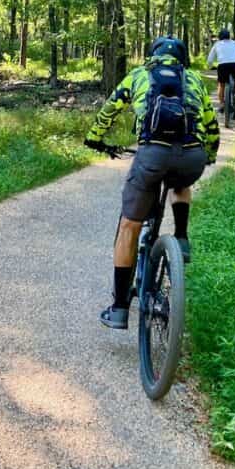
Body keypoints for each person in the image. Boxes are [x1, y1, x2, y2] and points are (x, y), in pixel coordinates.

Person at [84, 36, 219, 330]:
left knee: (129, 225)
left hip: (152, 156)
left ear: (152, 55)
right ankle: (181, 238)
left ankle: (119, 307)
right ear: (183, 59)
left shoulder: (139, 76)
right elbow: (210, 124)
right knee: (180, 184)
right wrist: (208, 155)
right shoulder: (194, 80)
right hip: (191, 158)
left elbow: (110, 108)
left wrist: (94, 137)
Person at [207, 28, 235, 112]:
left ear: (220, 37)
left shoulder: (217, 44)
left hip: (222, 66)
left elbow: (209, 60)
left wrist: (210, 66)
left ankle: (222, 104)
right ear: (229, 36)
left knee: (221, 85)